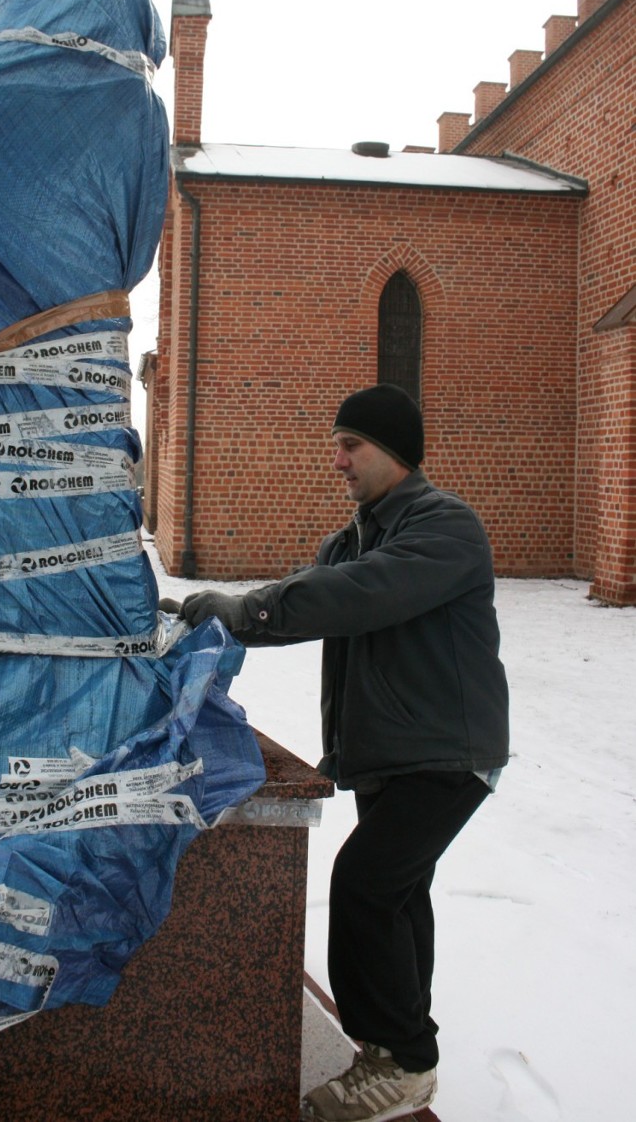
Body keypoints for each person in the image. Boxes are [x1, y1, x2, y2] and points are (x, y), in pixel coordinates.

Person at [162, 383, 509, 1122]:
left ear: (394, 451)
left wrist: (250, 606)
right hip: (391, 752)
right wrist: (209, 619)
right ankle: (402, 1054)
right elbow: (312, 598)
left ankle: (403, 1060)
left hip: (448, 752)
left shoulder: (446, 527)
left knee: (366, 885)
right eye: (338, 444)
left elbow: (360, 595)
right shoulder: (349, 539)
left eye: (351, 445)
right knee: (397, 895)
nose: (338, 459)